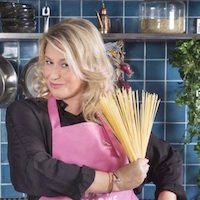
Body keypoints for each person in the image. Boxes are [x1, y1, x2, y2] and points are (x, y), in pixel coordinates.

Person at [6, 18, 187, 200]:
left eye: (65, 64)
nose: (52, 74)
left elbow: (167, 160)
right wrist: (114, 181)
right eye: (48, 61)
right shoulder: (29, 113)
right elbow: (32, 170)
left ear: (89, 66)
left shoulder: (114, 117)